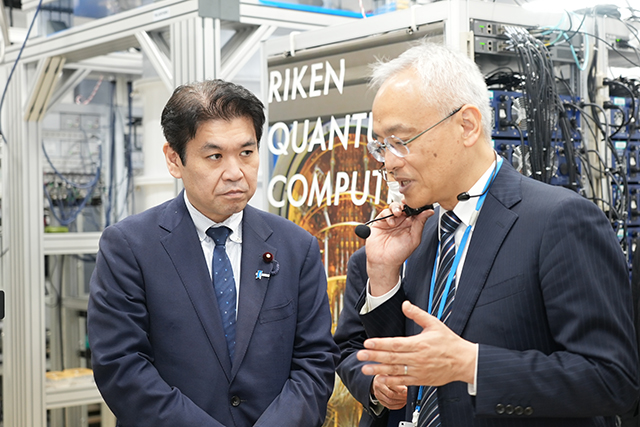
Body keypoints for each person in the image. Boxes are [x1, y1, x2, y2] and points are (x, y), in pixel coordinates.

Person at [337, 41, 639, 427]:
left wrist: (472, 364)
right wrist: (383, 276)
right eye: (381, 146)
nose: (389, 163)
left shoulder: (558, 221)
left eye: (401, 141)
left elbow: (612, 379)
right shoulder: (413, 234)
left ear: (467, 125)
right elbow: (388, 358)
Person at [87, 79, 339, 427]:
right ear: (174, 159)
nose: (235, 173)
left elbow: (315, 361)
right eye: (215, 156)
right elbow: (122, 368)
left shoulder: (297, 247)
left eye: (246, 153)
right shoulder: (129, 247)